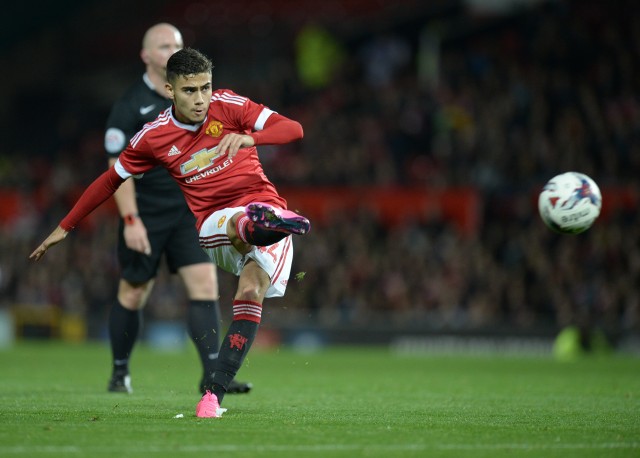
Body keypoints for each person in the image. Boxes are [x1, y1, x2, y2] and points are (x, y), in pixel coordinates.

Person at [31, 47, 310, 417]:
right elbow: (110, 180)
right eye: (190, 90)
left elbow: (294, 129)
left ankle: (212, 397)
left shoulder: (230, 105)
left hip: (263, 206)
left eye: (205, 88)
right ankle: (256, 223)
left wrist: (250, 139)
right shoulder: (154, 136)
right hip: (213, 223)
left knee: (250, 290)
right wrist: (65, 227)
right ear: (170, 90)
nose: (200, 99)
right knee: (234, 223)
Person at [104, 23, 251, 396]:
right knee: (134, 291)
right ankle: (120, 373)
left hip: (188, 212)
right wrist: (131, 220)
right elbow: (116, 172)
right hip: (147, 213)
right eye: (164, 44)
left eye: (178, 43)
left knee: (204, 285)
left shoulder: (196, 97)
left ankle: (212, 376)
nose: (172, 48)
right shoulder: (129, 105)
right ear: (146, 56)